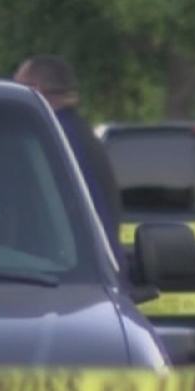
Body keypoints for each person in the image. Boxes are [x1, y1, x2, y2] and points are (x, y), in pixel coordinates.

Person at [13, 55, 126, 269]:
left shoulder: (50, 141)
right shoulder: (75, 135)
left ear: (34, 90)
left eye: (18, 88)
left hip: (64, 273)